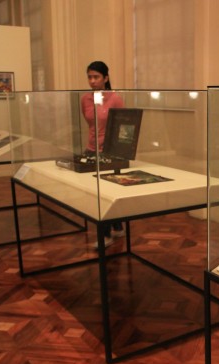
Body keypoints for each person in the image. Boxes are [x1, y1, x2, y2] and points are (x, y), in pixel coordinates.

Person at [80, 61, 125, 248]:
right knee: (96, 193)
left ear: (105, 78)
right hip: (91, 149)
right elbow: (90, 123)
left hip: (109, 152)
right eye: (89, 77)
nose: (92, 81)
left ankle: (106, 234)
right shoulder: (85, 99)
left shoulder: (115, 99)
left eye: (96, 77)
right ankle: (117, 226)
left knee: (106, 192)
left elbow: (122, 125)